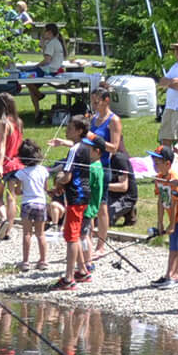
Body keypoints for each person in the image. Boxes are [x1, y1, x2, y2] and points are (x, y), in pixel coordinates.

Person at [50, 117, 98, 289]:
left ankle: (69, 278)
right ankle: (83, 271)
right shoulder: (85, 147)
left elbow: (67, 175)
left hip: (75, 197)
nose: (66, 131)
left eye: (69, 128)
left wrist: (57, 181)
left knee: (71, 237)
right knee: (76, 234)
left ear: (78, 131)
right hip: (83, 195)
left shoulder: (74, 150)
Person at [86, 85, 125, 248]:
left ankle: (101, 245)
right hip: (90, 165)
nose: (94, 105)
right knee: (89, 205)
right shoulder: (93, 118)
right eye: (93, 102)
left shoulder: (113, 120)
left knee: (102, 206)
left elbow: (114, 147)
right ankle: (87, 241)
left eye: (97, 102)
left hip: (103, 166)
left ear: (106, 101)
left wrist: (94, 138)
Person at [148, 145, 178, 288]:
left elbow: (173, 202)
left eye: (157, 163)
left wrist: (172, 224)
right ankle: (168, 274)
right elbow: (161, 200)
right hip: (173, 216)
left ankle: (177, 276)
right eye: (154, 162)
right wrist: (160, 222)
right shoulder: (159, 178)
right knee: (173, 246)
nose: (155, 165)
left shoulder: (175, 179)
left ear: (168, 163)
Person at [12, 139, 52, 270]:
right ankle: (43, 260)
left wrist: (23, 191)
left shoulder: (21, 173)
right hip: (41, 204)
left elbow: (17, 191)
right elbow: (46, 188)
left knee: (27, 233)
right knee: (40, 234)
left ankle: (25, 262)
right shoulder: (44, 170)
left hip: (27, 204)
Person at [0, 92, 24, 243]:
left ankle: (3, 218)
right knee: (12, 197)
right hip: (17, 163)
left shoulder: (3, 122)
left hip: (4, 163)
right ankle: (8, 229)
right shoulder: (19, 122)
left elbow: (3, 143)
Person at [26, 22, 70, 118]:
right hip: (55, 70)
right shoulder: (55, 42)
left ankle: (39, 95)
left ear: (49, 32)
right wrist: (43, 44)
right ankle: (37, 113)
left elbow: (47, 60)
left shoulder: (51, 43)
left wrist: (36, 66)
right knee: (31, 87)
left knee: (26, 77)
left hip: (49, 70)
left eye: (44, 32)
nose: (43, 34)